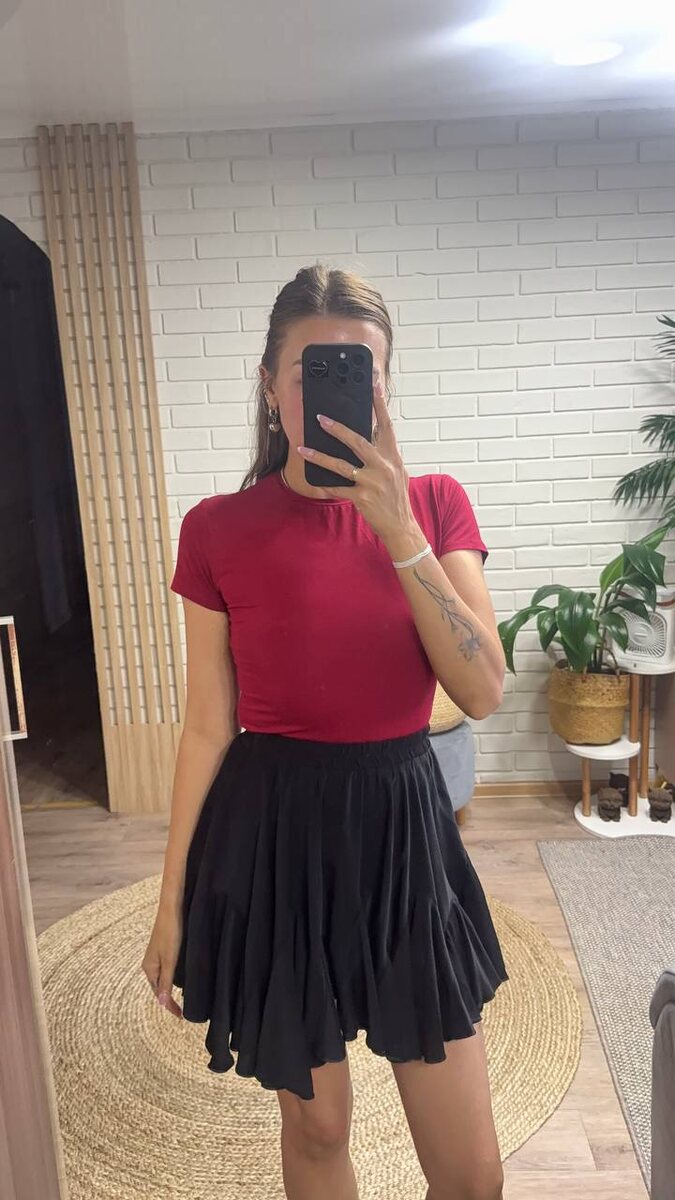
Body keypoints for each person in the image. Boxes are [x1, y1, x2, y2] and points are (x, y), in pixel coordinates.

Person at [142, 264, 509, 1200]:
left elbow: (482, 689)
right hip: (275, 837)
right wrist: (171, 900)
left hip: (402, 835)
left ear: (383, 386)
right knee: (316, 1128)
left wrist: (397, 530)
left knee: (471, 1175)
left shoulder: (434, 504)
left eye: (358, 369)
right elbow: (206, 726)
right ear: (270, 385)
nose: (333, 388)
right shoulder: (216, 529)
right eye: (310, 368)